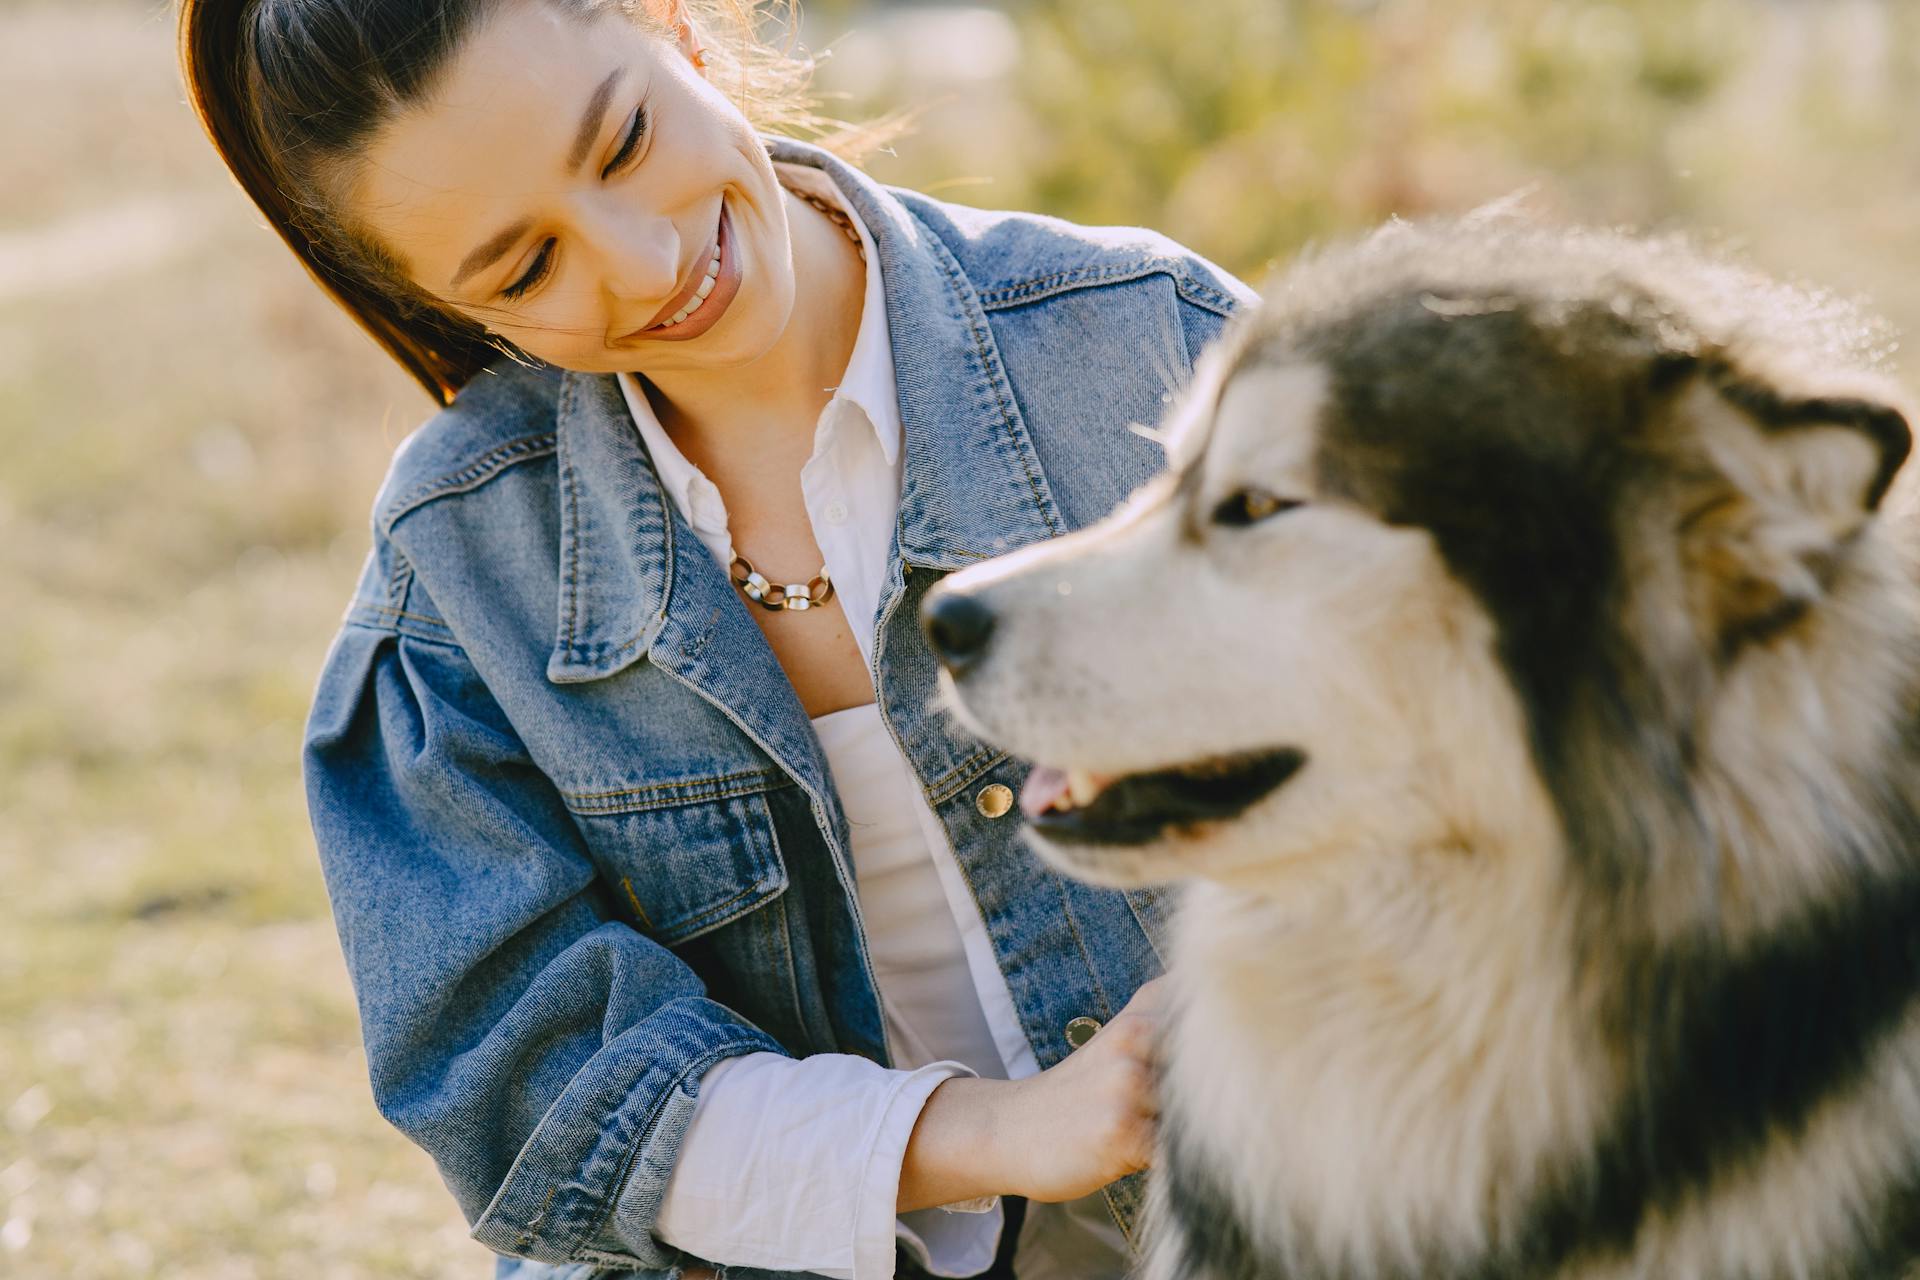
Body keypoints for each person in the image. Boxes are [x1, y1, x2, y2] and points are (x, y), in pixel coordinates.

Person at [179, 0, 1257, 1276]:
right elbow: (530, 1086)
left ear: (675, 26)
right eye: (527, 270)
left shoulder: (1153, 345)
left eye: (625, 140)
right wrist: (992, 1131)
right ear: (433, 300)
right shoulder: (460, 567)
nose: (643, 264)